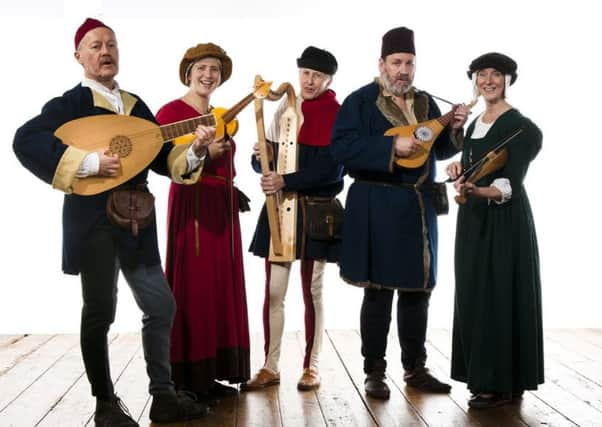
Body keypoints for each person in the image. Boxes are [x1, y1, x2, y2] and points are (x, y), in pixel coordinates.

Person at [13, 18, 212, 426]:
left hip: (137, 217)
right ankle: (105, 404)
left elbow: (160, 158)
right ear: (79, 56)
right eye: (95, 46)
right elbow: (25, 139)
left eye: (111, 44)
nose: (105, 52)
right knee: (100, 311)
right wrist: (87, 162)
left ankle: (163, 395)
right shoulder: (70, 105)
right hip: (92, 221)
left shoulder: (136, 106)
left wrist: (195, 149)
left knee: (161, 305)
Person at [330, 26, 469, 399]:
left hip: (418, 205)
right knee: (378, 292)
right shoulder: (360, 101)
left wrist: (454, 131)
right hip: (377, 205)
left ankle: (415, 368)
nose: (403, 70)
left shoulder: (425, 103)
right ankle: (374, 370)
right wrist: (390, 148)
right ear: (382, 64)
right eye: (396, 62)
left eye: (409, 62)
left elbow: (435, 151)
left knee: (416, 292)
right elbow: (341, 148)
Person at [446, 52, 544, 409]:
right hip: (473, 220)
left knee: (498, 295)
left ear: (508, 80)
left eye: (496, 75)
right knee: (475, 294)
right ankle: (492, 378)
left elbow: (509, 186)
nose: (488, 80)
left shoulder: (522, 128)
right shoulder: (475, 125)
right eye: (482, 74)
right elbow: (475, 166)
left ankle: (499, 381)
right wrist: (461, 171)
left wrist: (478, 190)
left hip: (504, 222)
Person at [155, 42, 250, 403]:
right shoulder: (171, 113)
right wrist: (203, 154)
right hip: (192, 206)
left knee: (218, 285)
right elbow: (165, 163)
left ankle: (210, 375)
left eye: (215, 70)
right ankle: (188, 377)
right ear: (188, 72)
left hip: (220, 206)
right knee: (194, 286)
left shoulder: (221, 114)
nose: (208, 75)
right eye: (202, 68)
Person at [244, 46, 343, 391]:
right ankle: (270, 366)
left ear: (329, 80)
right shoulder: (284, 108)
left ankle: (311, 367)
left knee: (312, 290)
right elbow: (262, 164)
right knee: (274, 292)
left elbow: (333, 171)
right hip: (279, 209)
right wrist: (262, 160)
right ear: (298, 73)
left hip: (316, 211)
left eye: (318, 75)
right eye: (305, 73)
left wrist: (286, 180)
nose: (310, 80)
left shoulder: (338, 114)